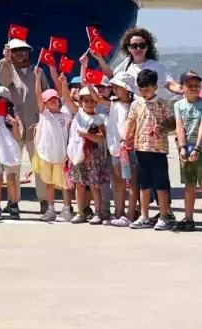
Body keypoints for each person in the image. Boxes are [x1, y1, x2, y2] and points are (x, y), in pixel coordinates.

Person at [0, 38, 48, 212]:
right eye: (16, 50)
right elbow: (2, 79)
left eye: (23, 50)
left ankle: (44, 201)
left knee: (39, 166)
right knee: (13, 166)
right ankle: (13, 201)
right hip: (14, 126)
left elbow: (46, 95)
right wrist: (5, 59)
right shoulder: (8, 70)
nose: (20, 53)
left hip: (36, 125)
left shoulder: (38, 71)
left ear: (28, 52)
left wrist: (44, 122)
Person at [122, 68, 175, 231]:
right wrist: (125, 138)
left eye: (147, 89)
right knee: (144, 184)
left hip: (158, 150)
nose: (143, 93)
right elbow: (130, 121)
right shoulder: (136, 104)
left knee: (161, 184)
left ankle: (164, 216)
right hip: (140, 148)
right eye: (141, 90)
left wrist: (162, 127)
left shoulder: (162, 103)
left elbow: (172, 123)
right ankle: (144, 216)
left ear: (155, 88)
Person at [174, 70, 202, 234]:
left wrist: (197, 148)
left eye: (196, 85)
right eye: (189, 85)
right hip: (186, 148)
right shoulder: (179, 105)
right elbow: (180, 127)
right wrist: (183, 147)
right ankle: (189, 218)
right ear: (182, 87)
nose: (193, 88)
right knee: (189, 185)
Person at [62, 85, 111, 224]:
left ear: (96, 102)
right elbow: (66, 96)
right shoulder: (78, 114)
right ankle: (80, 212)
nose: (89, 104)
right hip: (78, 155)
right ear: (81, 102)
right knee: (79, 184)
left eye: (92, 101)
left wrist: (87, 135)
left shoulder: (99, 119)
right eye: (86, 101)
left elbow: (102, 137)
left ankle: (97, 212)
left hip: (93, 156)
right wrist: (64, 83)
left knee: (95, 185)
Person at [32, 66, 71, 222]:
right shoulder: (44, 114)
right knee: (49, 184)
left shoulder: (66, 115)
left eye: (55, 98)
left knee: (65, 185)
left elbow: (65, 96)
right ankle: (51, 209)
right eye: (49, 100)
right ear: (45, 103)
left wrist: (63, 83)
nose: (53, 101)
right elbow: (37, 95)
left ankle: (67, 209)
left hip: (62, 155)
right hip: (47, 155)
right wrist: (37, 78)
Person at [93, 26, 181, 95]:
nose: (138, 49)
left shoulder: (156, 67)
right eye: (134, 46)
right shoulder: (126, 64)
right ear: (128, 48)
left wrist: (187, 90)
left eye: (142, 45)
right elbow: (111, 77)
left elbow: (170, 84)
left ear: (147, 47)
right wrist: (100, 59)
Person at [106, 71, 138, 227]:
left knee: (131, 182)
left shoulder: (136, 105)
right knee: (118, 181)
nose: (115, 89)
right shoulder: (114, 103)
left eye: (118, 86)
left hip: (131, 149)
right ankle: (119, 212)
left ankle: (131, 213)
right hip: (116, 148)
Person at [0, 87, 23, 219]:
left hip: (10, 152)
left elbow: (18, 137)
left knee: (11, 179)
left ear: (6, 100)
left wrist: (15, 124)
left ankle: (13, 205)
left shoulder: (13, 115)